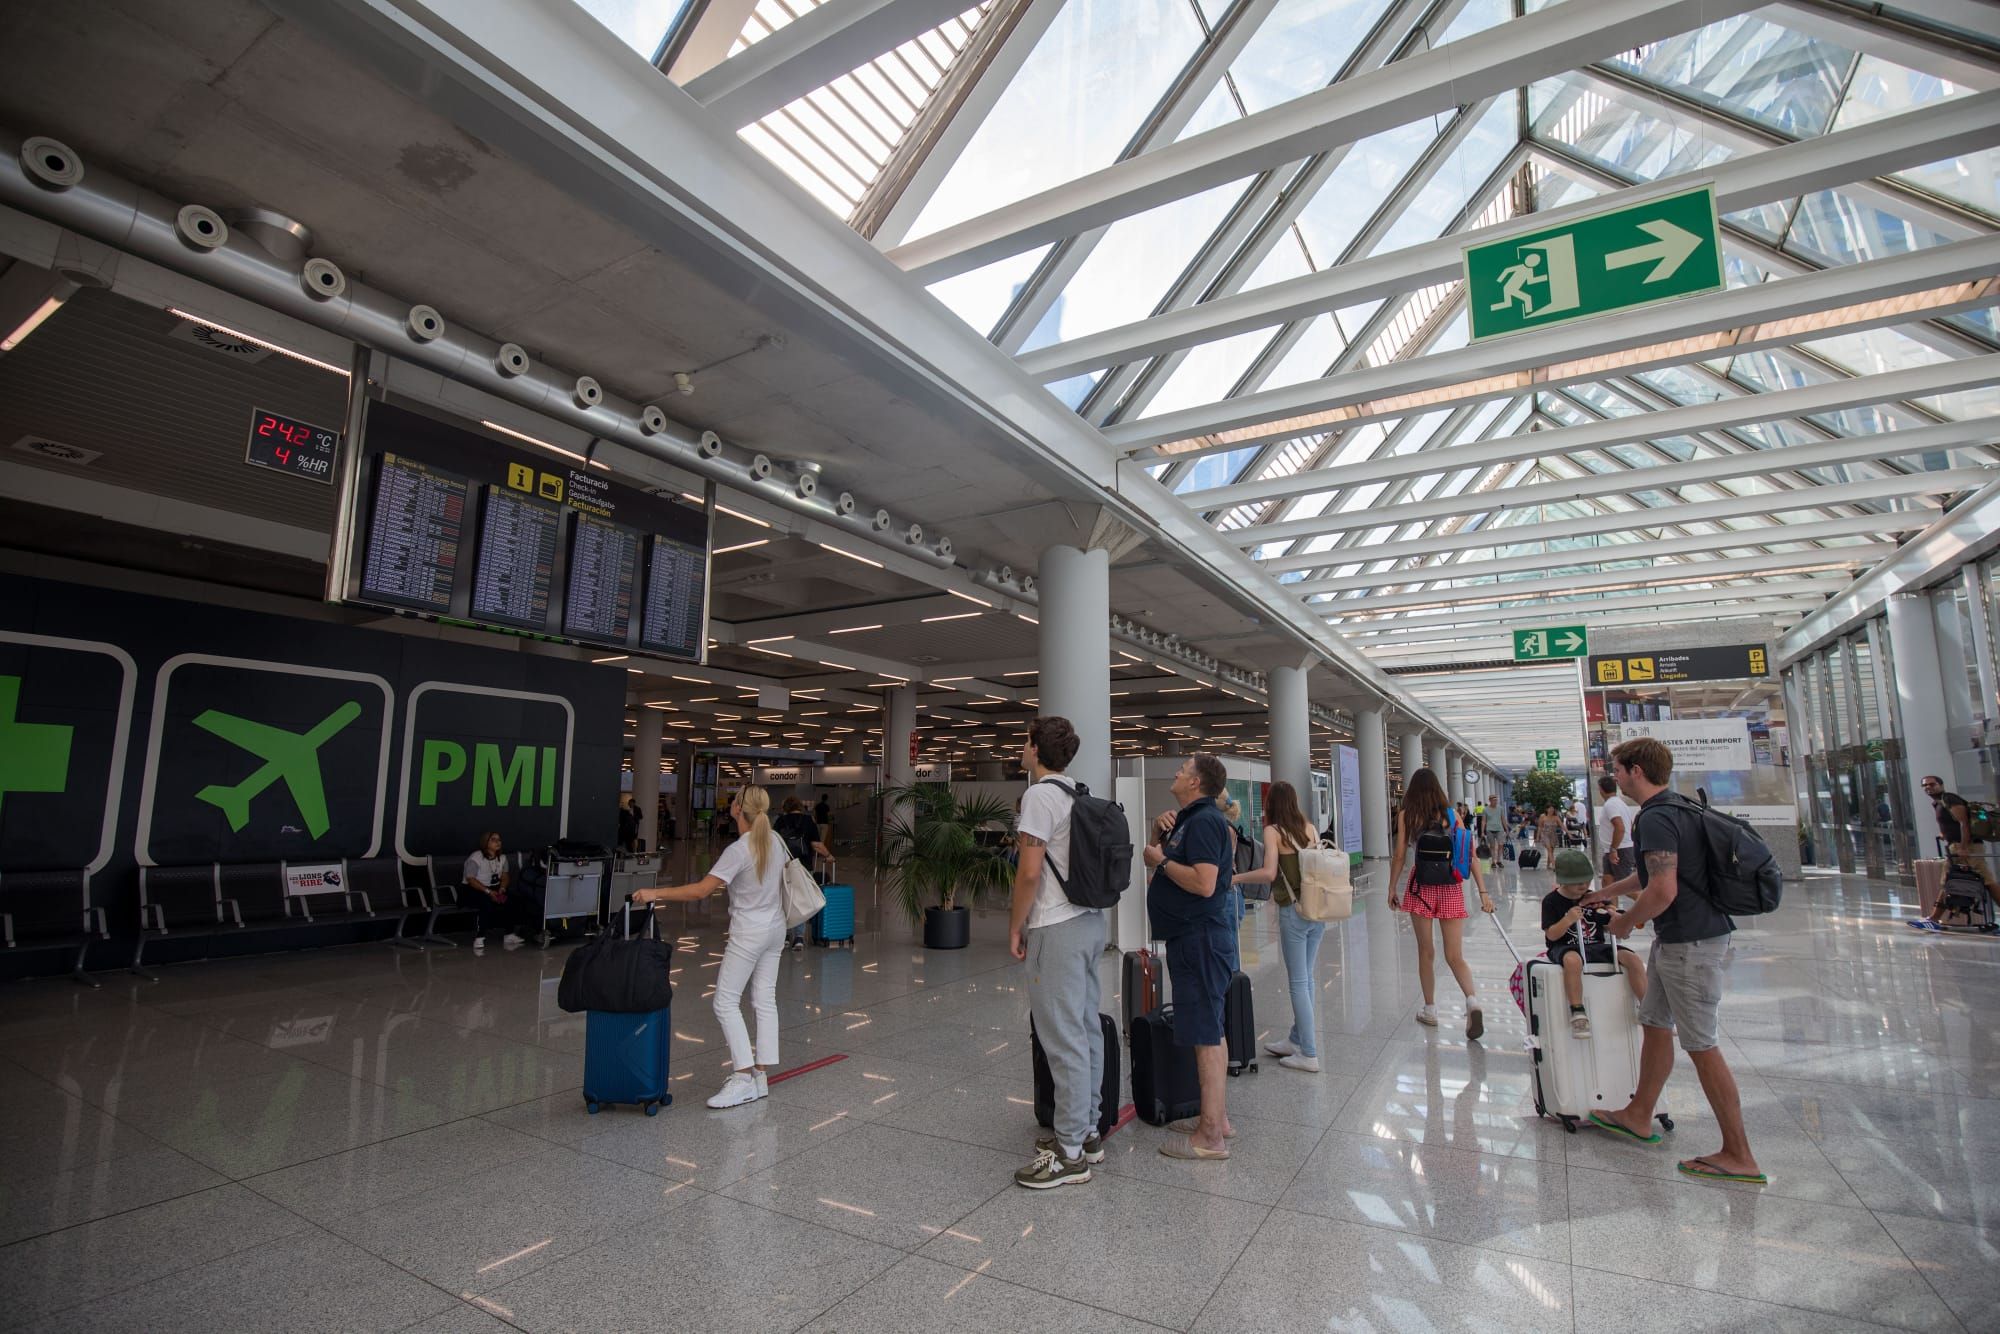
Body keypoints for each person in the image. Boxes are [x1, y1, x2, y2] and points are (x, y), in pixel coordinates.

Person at [1584, 737, 1762, 1185]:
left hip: (1692, 943)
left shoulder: (1658, 817)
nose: (1615, 777)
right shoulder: (1677, 806)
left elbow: (1663, 890)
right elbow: (1652, 875)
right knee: (1656, 1023)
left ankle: (1739, 1153)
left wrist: (1626, 924)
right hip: (1682, 938)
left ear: (1636, 771)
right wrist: (1607, 893)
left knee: (1701, 1043)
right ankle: (1638, 1113)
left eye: (1619, 770)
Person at [632, 786, 788, 1110]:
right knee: (764, 999)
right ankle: (760, 1076)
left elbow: (700, 891)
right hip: (776, 929)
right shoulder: (776, 841)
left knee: (725, 1002)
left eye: (734, 799)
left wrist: (654, 893)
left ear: (737, 809)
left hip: (749, 933)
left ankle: (743, 1077)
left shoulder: (739, 849)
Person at [1007, 716, 1108, 1189]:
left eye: (1025, 742)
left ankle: (1069, 1155)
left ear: (1035, 748)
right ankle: (1087, 1131)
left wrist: (1016, 925)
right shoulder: (1076, 791)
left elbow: (1029, 873)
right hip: (1089, 923)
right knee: (1086, 1029)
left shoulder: (1040, 796)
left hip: (1056, 927)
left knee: (1062, 1038)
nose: (1022, 749)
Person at [1143, 754, 1236, 1160]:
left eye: (1183, 768)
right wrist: (1158, 838)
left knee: (1205, 1033)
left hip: (1199, 938)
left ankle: (1210, 1135)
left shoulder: (1203, 821)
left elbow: (1203, 882)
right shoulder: (1190, 819)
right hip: (1192, 937)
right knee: (1211, 1027)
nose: (1177, 772)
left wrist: (1160, 860)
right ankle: (1217, 1117)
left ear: (1196, 781)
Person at [1388, 769, 1495, 1039]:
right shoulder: (1452, 815)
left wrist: (1391, 887)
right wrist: (1483, 892)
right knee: (1454, 955)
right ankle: (1472, 1001)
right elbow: (1469, 854)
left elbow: (1400, 855)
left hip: (1421, 886)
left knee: (1426, 952)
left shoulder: (1407, 816)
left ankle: (1430, 1009)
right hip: (1450, 886)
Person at [1230, 781, 1325, 1072]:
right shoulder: (1309, 828)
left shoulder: (1273, 832)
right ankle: (1296, 1039)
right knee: (1306, 977)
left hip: (1293, 912)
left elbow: (1270, 872)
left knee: (1298, 981)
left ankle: (1308, 1052)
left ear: (1272, 804)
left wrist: (1234, 878)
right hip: (1317, 910)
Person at [1542, 847, 1646, 1036]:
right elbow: (1551, 935)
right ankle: (1577, 1010)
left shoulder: (1593, 898)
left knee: (1633, 960)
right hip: (1565, 946)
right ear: (1564, 881)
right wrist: (1567, 920)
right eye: (1577, 883)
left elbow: (1609, 923)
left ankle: (1646, 1007)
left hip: (1596, 945)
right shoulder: (1551, 901)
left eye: (1587, 881)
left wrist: (1615, 916)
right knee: (1573, 961)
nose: (1584, 886)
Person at [1909, 775, 1999, 929]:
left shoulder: (1950, 799)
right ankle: (1933, 919)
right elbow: (1953, 824)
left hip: (1965, 847)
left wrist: (1963, 847)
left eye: (1932, 784)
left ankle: (1933, 919)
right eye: (1925, 785)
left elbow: (1964, 823)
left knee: (1952, 882)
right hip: (1959, 846)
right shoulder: (1939, 803)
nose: (1928, 787)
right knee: (1984, 882)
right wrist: (1946, 835)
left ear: (1941, 785)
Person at [462, 831, 543, 952]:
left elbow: (505, 876)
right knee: (485, 903)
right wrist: (488, 892)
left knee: (512, 901)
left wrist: (502, 888)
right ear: (485, 843)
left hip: (494, 889)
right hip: (474, 890)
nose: (497, 842)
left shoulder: (502, 858)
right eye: (493, 840)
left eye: (499, 840)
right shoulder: (476, 857)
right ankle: (479, 937)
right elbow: (471, 879)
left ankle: (509, 934)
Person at [774, 797, 833, 952]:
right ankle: (799, 938)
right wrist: (828, 856)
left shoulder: (780, 821)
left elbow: (773, 844)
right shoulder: (808, 821)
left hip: (783, 866)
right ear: (800, 807)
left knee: (784, 899)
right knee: (800, 899)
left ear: (785, 807)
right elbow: (816, 845)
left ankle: (785, 936)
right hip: (803, 866)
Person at [1596, 774, 1636, 883]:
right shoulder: (1620, 803)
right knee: (1608, 882)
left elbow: (1620, 827)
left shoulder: (1611, 805)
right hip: (1614, 848)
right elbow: (1630, 824)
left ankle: (1648, 900)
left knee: (1624, 885)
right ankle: (1609, 901)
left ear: (1601, 789)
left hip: (1619, 849)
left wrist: (1614, 849)